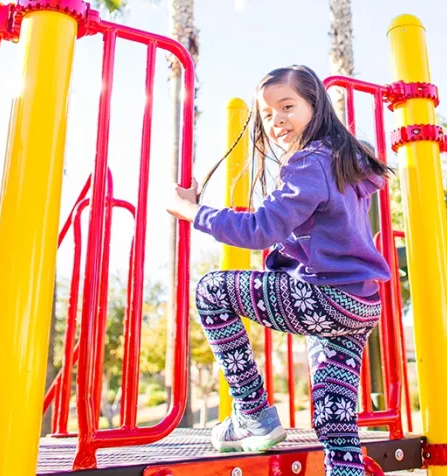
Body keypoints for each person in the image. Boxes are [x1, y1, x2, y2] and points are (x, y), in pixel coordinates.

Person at [166, 65, 392, 476]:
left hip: (325, 297)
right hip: (358, 305)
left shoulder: (310, 163)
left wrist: (192, 211)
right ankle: (345, 469)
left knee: (212, 291)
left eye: (287, 107)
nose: (277, 121)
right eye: (267, 115)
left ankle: (253, 412)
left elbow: (259, 229)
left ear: (315, 105)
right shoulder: (345, 162)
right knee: (335, 419)